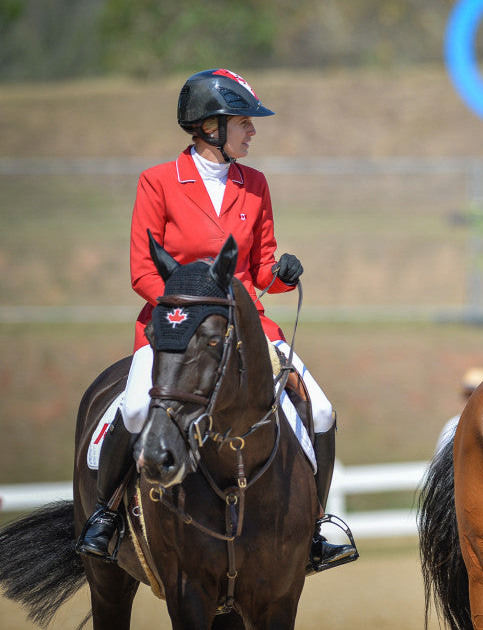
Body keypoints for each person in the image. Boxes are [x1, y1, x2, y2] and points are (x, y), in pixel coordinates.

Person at [76, 68, 357, 573]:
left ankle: (315, 526)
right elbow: (143, 270)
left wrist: (282, 272)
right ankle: (106, 513)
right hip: (176, 328)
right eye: (244, 123)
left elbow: (261, 269)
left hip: (247, 329)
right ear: (210, 126)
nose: (253, 132)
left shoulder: (255, 185)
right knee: (138, 408)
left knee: (322, 413)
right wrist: (191, 310)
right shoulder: (158, 182)